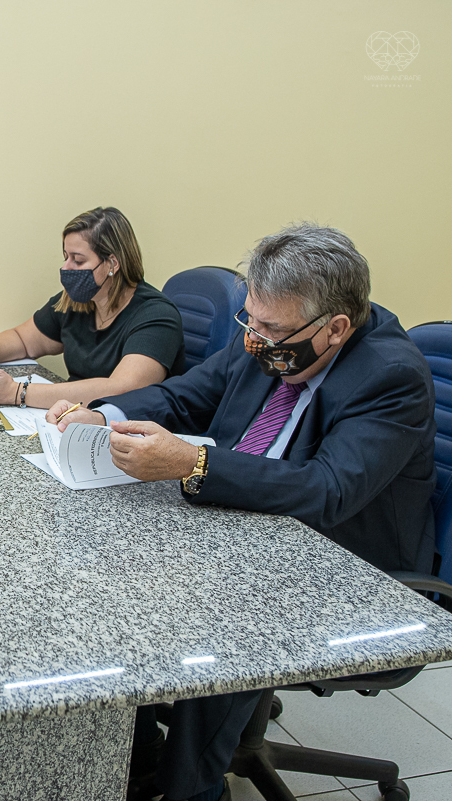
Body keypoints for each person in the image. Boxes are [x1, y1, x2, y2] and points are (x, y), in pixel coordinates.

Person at [50, 224, 437, 801]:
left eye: (270, 329)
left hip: (345, 562)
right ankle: (135, 748)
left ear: (335, 328)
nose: (254, 339)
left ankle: (195, 787)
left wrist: (193, 461)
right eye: (250, 321)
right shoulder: (272, 334)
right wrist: (100, 414)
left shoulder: (391, 376)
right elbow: (187, 395)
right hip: (256, 523)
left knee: (224, 617)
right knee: (105, 566)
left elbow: (328, 489)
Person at [0, 207, 186, 407]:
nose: (66, 268)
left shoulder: (156, 315)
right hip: (73, 416)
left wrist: (17, 392)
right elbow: (23, 340)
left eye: (78, 260)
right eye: (66, 257)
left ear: (112, 264)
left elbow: (123, 390)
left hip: (127, 432)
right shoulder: (76, 301)